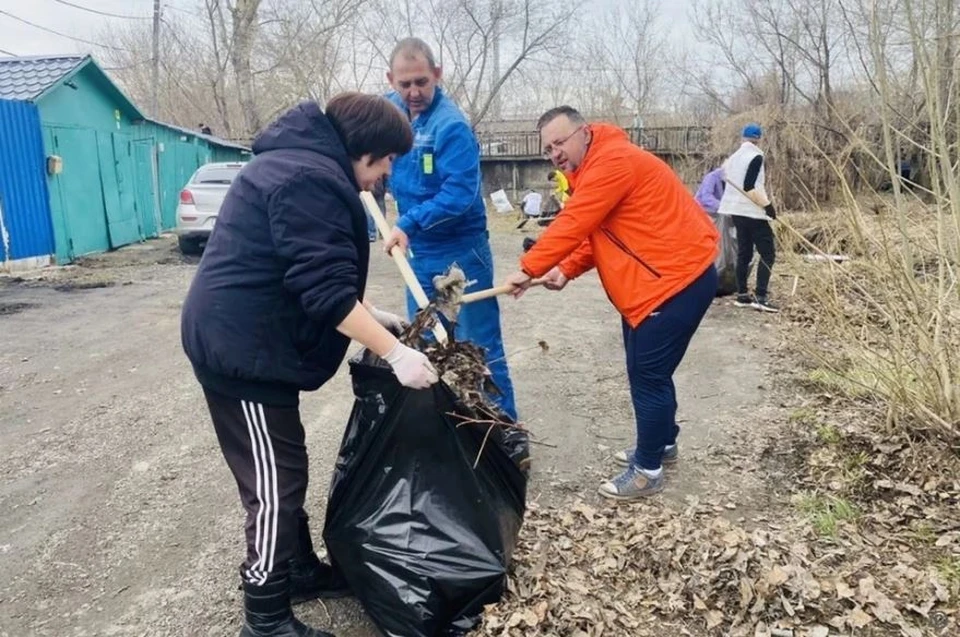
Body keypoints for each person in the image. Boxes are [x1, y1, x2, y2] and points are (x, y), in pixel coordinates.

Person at [180, 93, 439, 637]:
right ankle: (266, 616)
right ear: (365, 149)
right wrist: (396, 355)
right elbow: (322, 292)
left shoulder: (300, 165)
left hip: (253, 344)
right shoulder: (308, 179)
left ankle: (295, 568)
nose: (387, 172)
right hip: (240, 353)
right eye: (388, 159)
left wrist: (376, 315)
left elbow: (302, 269)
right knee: (274, 483)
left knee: (282, 463)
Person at [503, 106, 718, 501]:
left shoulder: (612, 162)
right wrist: (566, 269)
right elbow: (598, 233)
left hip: (675, 280)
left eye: (560, 141)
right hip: (651, 283)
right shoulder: (592, 168)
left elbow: (575, 223)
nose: (555, 153)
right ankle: (662, 445)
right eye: (548, 147)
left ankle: (647, 470)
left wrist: (531, 267)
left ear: (583, 132)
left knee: (648, 375)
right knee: (647, 371)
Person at [384, 37, 521, 426]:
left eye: (422, 82)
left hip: (460, 250)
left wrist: (407, 223)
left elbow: (459, 194)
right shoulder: (389, 112)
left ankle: (505, 433)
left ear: (438, 76)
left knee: (478, 346)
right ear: (391, 79)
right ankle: (445, 430)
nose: (413, 92)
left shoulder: (452, 127)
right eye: (405, 83)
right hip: (416, 251)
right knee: (423, 342)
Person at [716, 123, 779, 313]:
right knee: (768, 253)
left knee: (744, 252)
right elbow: (749, 185)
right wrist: (767, 206)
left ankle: (742, 295)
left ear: (743, 137)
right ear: (759, 138)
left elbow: (729, 178)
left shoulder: (733, 158)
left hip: (735, 211)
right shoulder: (756, 156)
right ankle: (761, 296)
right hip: (752, 211)